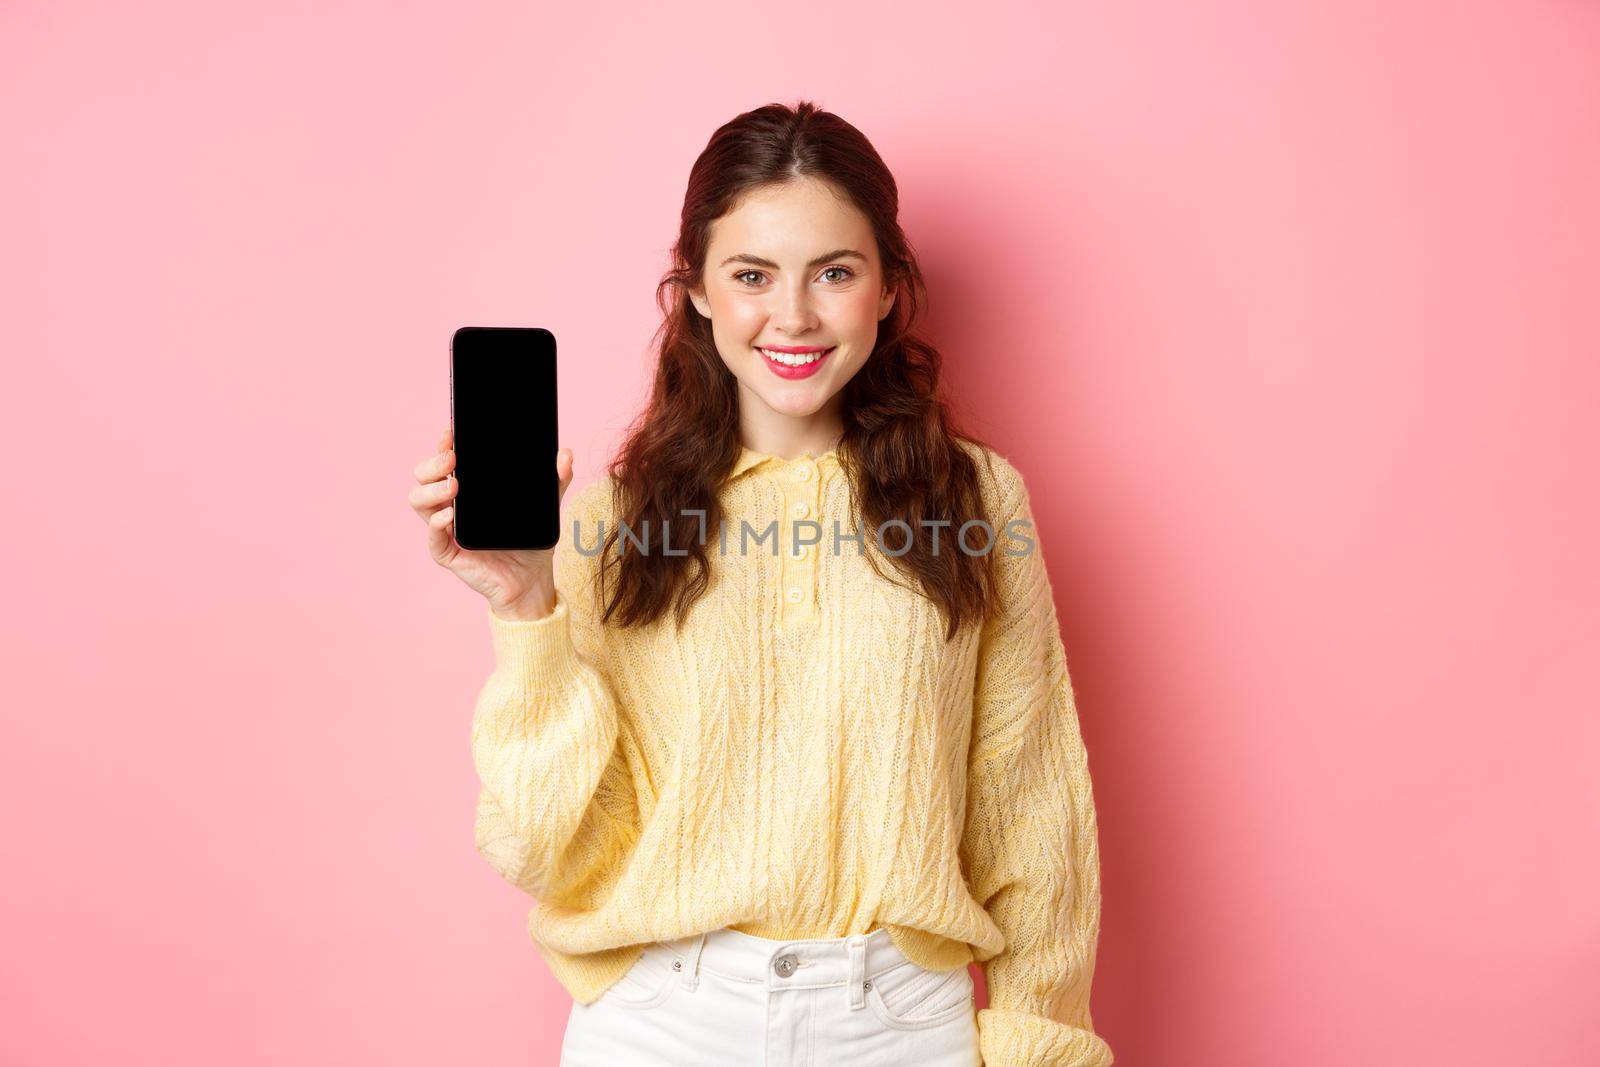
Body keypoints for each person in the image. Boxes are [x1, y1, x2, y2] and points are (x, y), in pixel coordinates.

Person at [409, 100, 1114, 1067]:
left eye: (834, 272)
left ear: (888, 289)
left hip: (902, 1027)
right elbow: (544, 847)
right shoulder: (618, 517)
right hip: (664, 1023)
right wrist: (527, 605)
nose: (793, 316)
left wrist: (1040, 1042)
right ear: (696, 288)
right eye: (751, 275)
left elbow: (1030, 809)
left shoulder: (978, 499)